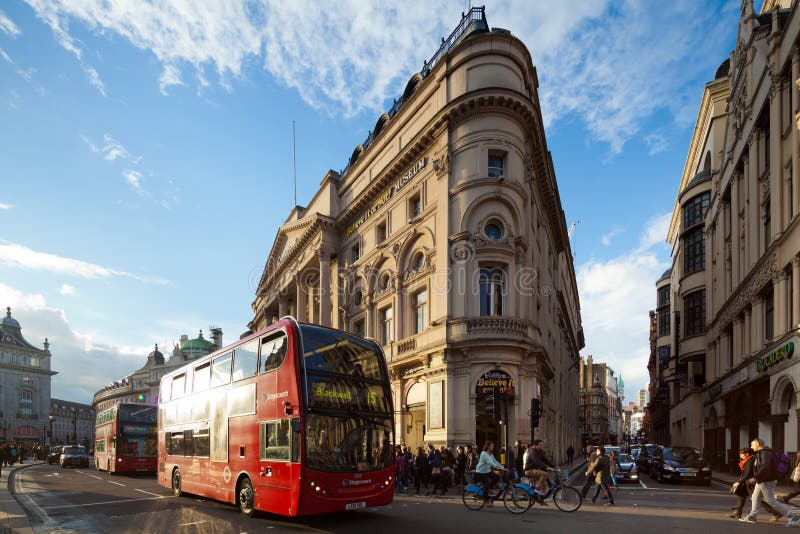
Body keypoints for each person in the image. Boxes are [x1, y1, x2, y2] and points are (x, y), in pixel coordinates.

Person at [740, 438, 800, 525]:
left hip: (766, 480)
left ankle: (793, 516)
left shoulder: (765, 453)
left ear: (757, 444)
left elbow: (765, 467)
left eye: (752, 445)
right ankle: (752, 516)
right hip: (762, 479)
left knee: (770, 500)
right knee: (755, 497)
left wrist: (756, 477)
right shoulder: (761, 453)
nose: (751, 447)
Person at [730, 447, 780, 521]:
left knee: (756, 499)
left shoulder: (750, 461)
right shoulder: (747, 460)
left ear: (747, 454)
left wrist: (739, 482)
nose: (740, 456)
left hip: (751, 483)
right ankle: (737, 512)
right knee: (741, 495)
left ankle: (775, 513)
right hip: (747, 483)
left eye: (741, 454)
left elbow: (747, 474)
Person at [475, 441, 505, 506]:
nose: (493, 447)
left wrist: (502, 467)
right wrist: (497, 467)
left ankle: (489, 489)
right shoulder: (484, 453)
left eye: (493, 446)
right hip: (480, 472)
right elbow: (490, 462)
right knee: (487, 484)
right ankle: (486, 502)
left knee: (497, 477)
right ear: (488, 446)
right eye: (492, 446)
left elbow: (495, 461)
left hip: (487, 471)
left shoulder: (491, 454)